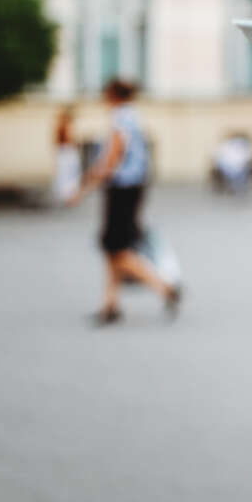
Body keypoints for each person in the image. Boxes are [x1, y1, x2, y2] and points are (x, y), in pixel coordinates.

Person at [74, 78, 180, 325]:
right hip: (132, 187)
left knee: (118, 248)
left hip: (122, 189)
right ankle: (110, 304)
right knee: (112, 248)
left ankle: (165, 288)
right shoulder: (132, 115)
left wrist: (84, 186)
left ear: (112, 95)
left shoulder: (120, 118)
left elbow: (112, 158)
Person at [52, 105, 82, 206]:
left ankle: (67, 196)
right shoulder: (64, 126)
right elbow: (70, 140)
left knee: (66, 175)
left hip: (63, 152)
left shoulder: (59, 126)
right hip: (67, 152)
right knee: (69, 175)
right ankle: (69, 196)